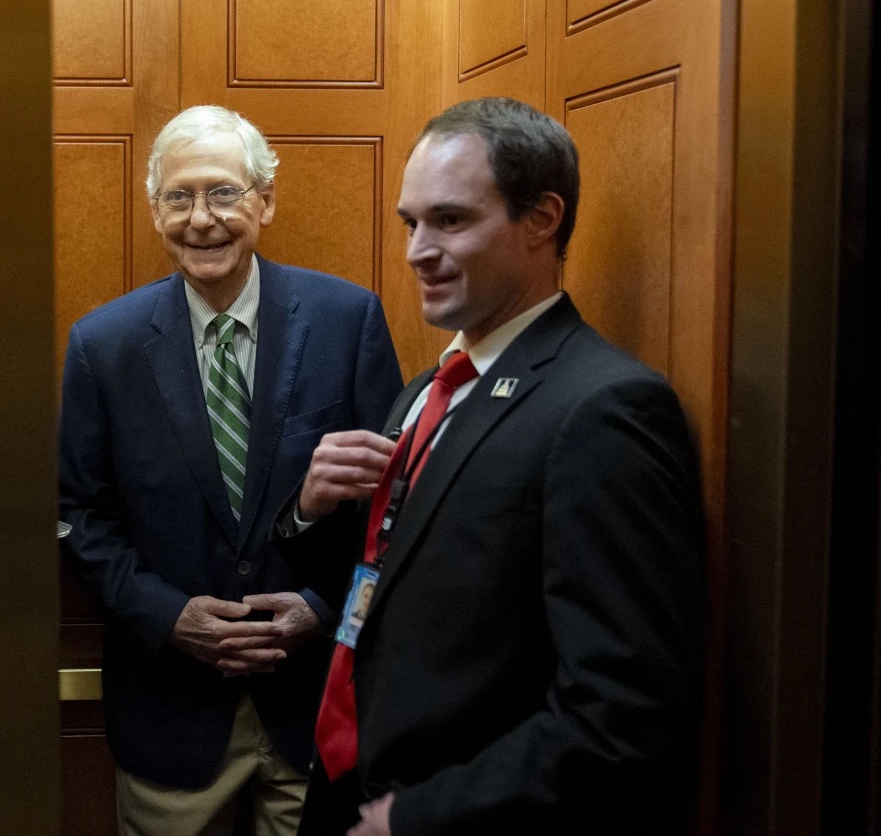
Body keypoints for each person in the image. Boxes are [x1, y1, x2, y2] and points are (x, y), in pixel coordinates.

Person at [278, 97, 705, 835]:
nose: (416, 250)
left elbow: (624, 713)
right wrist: (311, 509)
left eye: (450, 220)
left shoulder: (606, 409)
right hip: (346, 784)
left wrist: (415, 815)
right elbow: (397, 583)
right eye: (411, 223)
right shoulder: (425, 392)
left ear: (542, 218)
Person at [61, 105, 403, 836]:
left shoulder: (349, 321)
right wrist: (169, 616)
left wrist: (320, 605)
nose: (201, 218)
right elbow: (79, 516)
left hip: (312, 710)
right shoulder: (102, 347)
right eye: (178, 197)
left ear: (266, 201)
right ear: (155, 212)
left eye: (222, 192)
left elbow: (394, 508)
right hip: (169, 717)